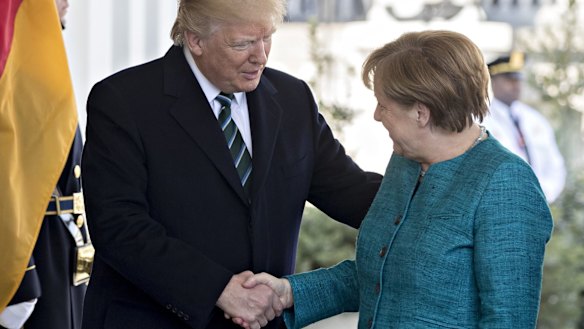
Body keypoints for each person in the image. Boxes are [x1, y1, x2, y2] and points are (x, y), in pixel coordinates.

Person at [80, 0, 382, 328]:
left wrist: (436, 190)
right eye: (243, 43)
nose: (261, 55)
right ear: (195, 40)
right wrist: (218, 289)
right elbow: (118, 226)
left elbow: (350, 191)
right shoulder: (123, 100)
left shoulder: (293, 98)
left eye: (267, 37)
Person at [242, 30, 554, 328]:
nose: (377, 115)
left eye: (384, 104)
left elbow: (508, 321)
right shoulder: (406, 162)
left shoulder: (506, 183)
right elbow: (381, 274)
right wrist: (288, 292)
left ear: (421, 112)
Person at [0, 0, 90, 328]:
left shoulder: (43, 73)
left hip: (62, 245)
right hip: (32, 251)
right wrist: (20, 277)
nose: (67, 3)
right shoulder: (15, 79)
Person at [483, 52, 566, 203]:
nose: (516, 85)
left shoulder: (536, 120)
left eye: (518, 79)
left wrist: (542, 196)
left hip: (539, 203)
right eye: (509, 79)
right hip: (502, 204)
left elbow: (555, 166)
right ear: (494, 81)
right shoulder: (482, 120)